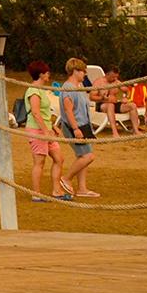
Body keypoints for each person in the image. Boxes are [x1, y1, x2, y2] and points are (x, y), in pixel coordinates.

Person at [22, 60, 68, 201]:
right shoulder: (33, 91)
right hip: (37, 130)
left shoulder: (42, 90)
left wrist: (52, 126)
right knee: (39, 162)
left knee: (59, 158)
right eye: (47, 72)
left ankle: (56, 190)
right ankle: (36, 193)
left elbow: (44, 112)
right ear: (41, 74)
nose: (49, 75)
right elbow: (35, 112)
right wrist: (45, 131)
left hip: (46, 129)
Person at [58, 58, 98, 198]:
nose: (84, 74)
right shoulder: (68, 88)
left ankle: (82, 188)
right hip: (73, 126)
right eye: (82, 71)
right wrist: (75, 129)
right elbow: (68, 111)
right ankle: (66, 178)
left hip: (83, 125)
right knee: (88, 156)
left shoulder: (79, 87)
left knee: (82, 156)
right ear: (75, 71)